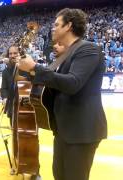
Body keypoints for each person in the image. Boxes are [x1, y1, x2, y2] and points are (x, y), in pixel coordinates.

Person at [18, 8, 107, 180]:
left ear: (69, 26)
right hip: (64, 130)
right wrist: (30, 71)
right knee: (59, 175)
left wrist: (35, 67)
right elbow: (53, 82)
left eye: (57, 24)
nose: (53, 28)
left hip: (81, 131)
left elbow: (73, 84)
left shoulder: (88, 49)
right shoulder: (66, 53)